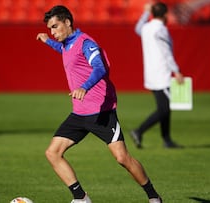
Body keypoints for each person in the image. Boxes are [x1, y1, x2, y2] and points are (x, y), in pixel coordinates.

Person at [36, 5, 162, 203]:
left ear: (68, 22)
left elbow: (99, 68)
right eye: (50, 29)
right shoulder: (66, 43)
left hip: (101, 112)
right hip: (79, 114)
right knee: (52, 153)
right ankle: (81, 198)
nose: (52, 32)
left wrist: (84, 87)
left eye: (55, 27)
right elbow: (62, 49)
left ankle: (154, 197)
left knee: (122, 158)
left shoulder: (86, 43)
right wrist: (47, 42)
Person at [132, 2, 184, 149]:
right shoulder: (161, 30)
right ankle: (139, 131)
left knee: (164, 107)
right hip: (162, 74)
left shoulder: (147, 28)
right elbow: (166, 52)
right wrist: (176, 70)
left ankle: (167, 139)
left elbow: (137, 29)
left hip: (151, 73)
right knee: (164, 109)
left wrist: (145, 13)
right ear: (166, 15)